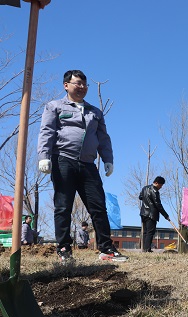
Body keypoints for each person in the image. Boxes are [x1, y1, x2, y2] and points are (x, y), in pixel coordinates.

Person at [37, 69, 127, 262]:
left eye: (84, 85)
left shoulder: (95, 112)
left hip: (88, 165)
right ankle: (63, 249)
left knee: (98, 207)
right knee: (63, 207)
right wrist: (44, 156)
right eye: (77, 83)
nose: (82, 87)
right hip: (63, 161)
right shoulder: (54, 107)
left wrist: (108, 159)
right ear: (66, 85)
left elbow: (103, 138)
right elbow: (46, 131)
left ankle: (106, 249)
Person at [139, 176, 170, 252]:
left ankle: (145, 249)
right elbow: (158, 205)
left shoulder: (144, 188)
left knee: (145, 232)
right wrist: (166, 215)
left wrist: (146, 199)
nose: (160, 187)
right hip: (151, 214)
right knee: (150, 232)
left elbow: (140, 197)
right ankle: (147, 249)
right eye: (160, 185)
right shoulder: (155, 191)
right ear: (156, 183)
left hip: (143, 213)